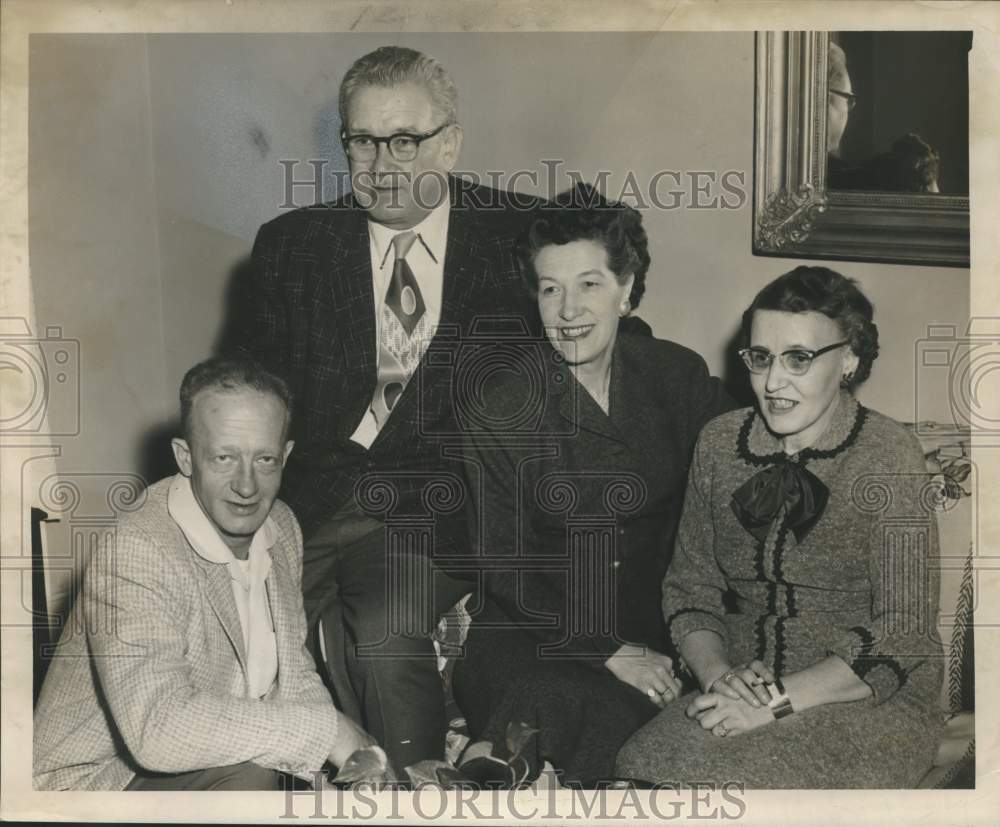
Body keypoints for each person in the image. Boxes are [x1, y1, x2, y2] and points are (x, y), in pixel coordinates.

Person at [233, 45, 547, 776]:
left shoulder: (522, 239)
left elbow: (603, 335)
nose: (381, 164)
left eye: (404, 140)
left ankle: (416, 792)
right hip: (307, 496)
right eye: (362, 140)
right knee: (235, 638)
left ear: (450, 141)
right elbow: (249, 385)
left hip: (437, 502)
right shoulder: (292, 246)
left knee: (380, 630)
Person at [616, 266, 943, 788]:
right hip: (741, 685)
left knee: (748, 791)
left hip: (864, 695)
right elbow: (689, 587)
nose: (773, 382)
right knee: (640, 770)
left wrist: (777, 702)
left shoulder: (889, 454)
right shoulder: (720, 443)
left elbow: (904, 631)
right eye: (761, 357)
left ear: (849, 360)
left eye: (799, 359)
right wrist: (719, 676)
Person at [452, 184, 733, 784]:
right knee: (546, 699)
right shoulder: (500, 406)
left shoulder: (675, 378)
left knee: (621, 724)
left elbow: (746, 460)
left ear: (626, 290)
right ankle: (492, 776)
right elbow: (502, 563)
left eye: (589, 284)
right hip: (534, 632)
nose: (568, 309)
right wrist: (609, 651)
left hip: (649, 627)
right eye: (550, 289)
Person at [33, 357, 372, 791]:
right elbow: (158, 730)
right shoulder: (136, 549)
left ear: (285, 456)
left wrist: (342, 770)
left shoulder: (282, 527)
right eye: (224, 458)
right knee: (253, 778)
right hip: (95, 786)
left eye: (265, 459)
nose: (247, 486)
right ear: (185, 457)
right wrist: (329, 731)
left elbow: (294, 673)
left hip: (210, 759)